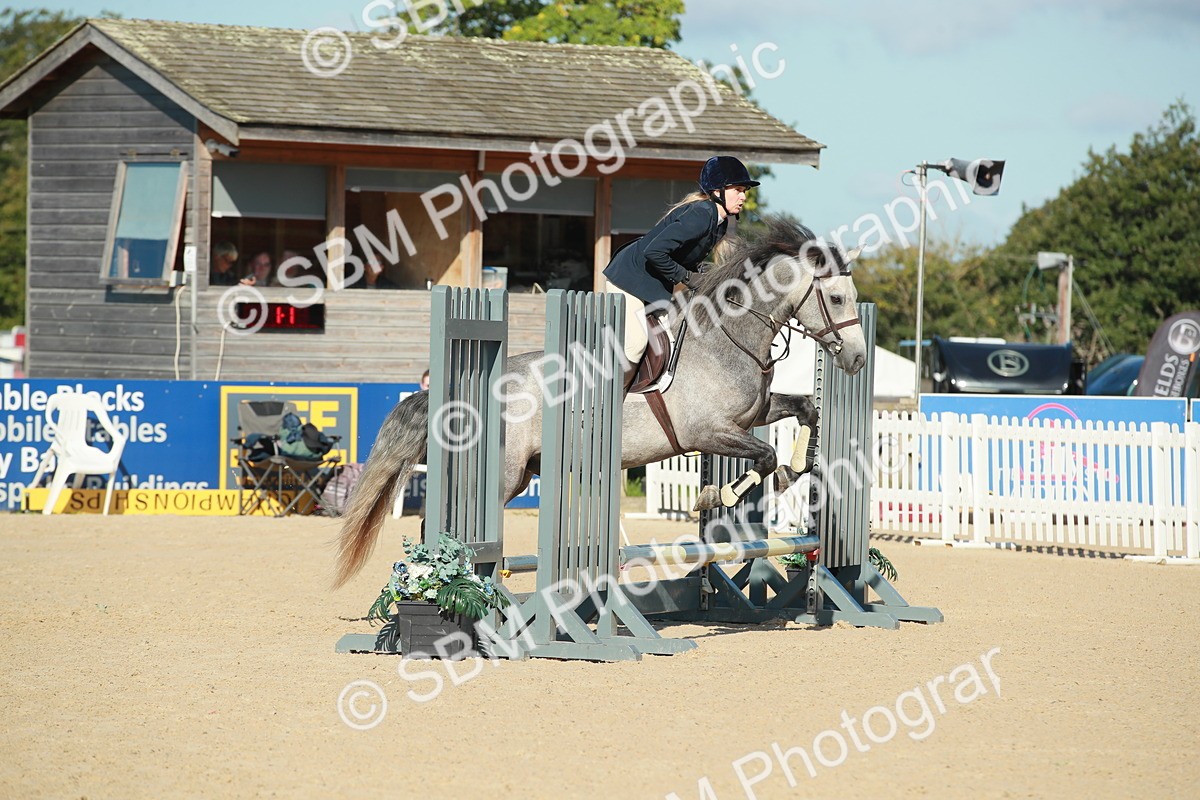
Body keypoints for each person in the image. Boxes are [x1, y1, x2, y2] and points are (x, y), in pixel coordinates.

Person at [602, 155, 759, 370]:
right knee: (636, 345)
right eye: (738, 190)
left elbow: (684, 256)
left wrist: (704, 273)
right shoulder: (702, 214)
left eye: (744, 191)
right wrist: (687, 277)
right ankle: (615, 398)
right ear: (717, 191)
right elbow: (654, 251)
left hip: (651, 285)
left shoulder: (719, 221)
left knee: (670, 340)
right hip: (629, 279)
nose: (742, 196)